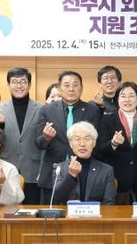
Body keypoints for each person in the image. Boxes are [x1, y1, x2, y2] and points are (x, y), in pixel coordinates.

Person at [35, 71, 101, 204]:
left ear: (81, 88)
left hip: (81, 171)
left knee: (78, 212)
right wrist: (46, 137)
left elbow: (95, 142)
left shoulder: (92, 110)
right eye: (66, 85)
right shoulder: (46, 110)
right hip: (52, 173)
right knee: (50, 213)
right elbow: (38, 142)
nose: (71, 89)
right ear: (59, 89)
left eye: (75, 85)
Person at [0, 68, 42, 204]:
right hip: (7, 168)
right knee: (8, 210)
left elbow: (43, 143)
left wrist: (42, 170)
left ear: (29, 85)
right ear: (8, 85)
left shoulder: (41, 108)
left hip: (33, 170)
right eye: (14, 82)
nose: (19, 85)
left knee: (32, 211)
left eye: (23, 82)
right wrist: (0, 125)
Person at [96, 81, 137, 204]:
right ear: (117, 99)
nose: (127, 100)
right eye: (123, 96)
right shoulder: (106, 121)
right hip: (115, 181)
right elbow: (99, 151)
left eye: (131, 96)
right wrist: (113, 143)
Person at [51, 122, 116, 204]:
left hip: (97, 212)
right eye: (77, 139)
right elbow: (57, 197)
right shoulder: (59, 168)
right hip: (68, 212)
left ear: (94, 143)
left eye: (87, 139)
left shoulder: (106, 170)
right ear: (71, 144)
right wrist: (71, 176)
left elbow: (109, 203)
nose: (82, 144)